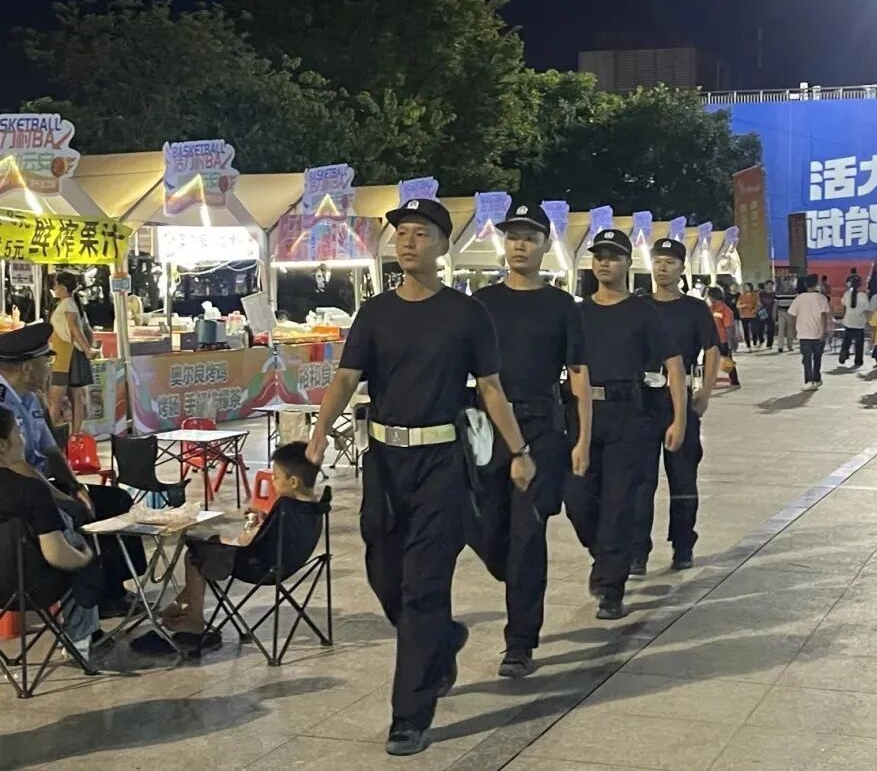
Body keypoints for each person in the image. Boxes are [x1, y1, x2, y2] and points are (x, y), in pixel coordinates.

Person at [305, 198, 536, 756]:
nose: (408, 242)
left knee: (425, 586)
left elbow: (490, 388)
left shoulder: (467, 314)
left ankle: (409, 715)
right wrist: (317, 437)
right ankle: (444, 639)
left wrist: (520, 451)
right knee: (386, 575)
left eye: (421, 233)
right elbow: (345, 379)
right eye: (402, 233)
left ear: (443, 245)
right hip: (385, 465)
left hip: (442, 465)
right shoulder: (375, 312)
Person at [471, 203, 591, 680]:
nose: (519, 245)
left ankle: (520, 641)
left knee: (527, 536)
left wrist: (582, 438)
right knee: (485, 529)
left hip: (540, 430)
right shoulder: (482, 302)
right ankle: (513, 576)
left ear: (545, 245)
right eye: (512, 236)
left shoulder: (561, 305)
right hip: (485, 431)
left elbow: (578, 374)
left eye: (529, 237)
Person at [565, 228, 684, 621]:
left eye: (613, 256)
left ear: (627, 264)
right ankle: (605, 558)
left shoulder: (642, 311)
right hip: (582, 415)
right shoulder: (578, 313)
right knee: (578, 501)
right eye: (599, 256)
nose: (604, 263)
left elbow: (673, 365)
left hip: (628, 417)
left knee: (618, 505)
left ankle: (611, 589)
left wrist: (679, 417)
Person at [0, 323, 143, 621]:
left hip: (41, 485)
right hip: (18, 496)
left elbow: (51, 450)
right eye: (47, 362)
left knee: (114, 502)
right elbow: (18, 465)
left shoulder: (31, 398)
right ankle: (85, 614)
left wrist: (76, 487)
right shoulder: (3, 404)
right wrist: (62, 500)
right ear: (27, 368)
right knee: (75, 520)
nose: (51, 369)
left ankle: (112, 592)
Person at [162, 442, 327, 642]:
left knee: (195, 553)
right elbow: (279, 533)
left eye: (276, 477)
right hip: (287, 564)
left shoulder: (285, 505)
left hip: (258, 567)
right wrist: (265, 520)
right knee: (212, 543)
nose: (272, 481)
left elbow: (248, 541)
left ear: (293, 482)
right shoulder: (312, 507)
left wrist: (251, 528)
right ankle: (180, 605)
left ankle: (193, 618)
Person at [632, 238, 720, 575]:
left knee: (683, 480)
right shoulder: (638, 306)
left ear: (682, 268)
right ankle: (637, 551)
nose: (662, 268)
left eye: (670, 262)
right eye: (658, 261)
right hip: (643, 402)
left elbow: (712, 350)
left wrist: (705, 394)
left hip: (679, 401)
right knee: (640, 482)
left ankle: (683, 545)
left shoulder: (694, 309)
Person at [0, 406, 99, 658]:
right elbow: (56, 555)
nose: (23, 439)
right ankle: (79, 643)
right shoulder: (32, 490)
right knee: (83, 563)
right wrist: (85, 557)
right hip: (32, 589)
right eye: (18, 433)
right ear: (2, 446)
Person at [47, 272, 95, 435]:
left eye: (55, 285)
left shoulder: (68, 304)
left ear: (62, 287)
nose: (54, 288)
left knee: (56, 399)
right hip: (67, 353)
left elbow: (73, 328)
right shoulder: (68, 304)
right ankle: (73, 436)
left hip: (66, 355)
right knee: (75, 397)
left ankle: (50, 437)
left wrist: (87, 349)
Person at [787, 274, 831, 390]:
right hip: (818, 333)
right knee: (817, 358)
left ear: (806, 284)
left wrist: (792, 330)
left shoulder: (799, 298)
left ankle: (809, 381)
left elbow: (791, 315)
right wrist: (824, 331)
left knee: (806, 359)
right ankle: (817, 378)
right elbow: (824, 317)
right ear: (817, 284)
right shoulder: (822, 298)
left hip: (803, 333)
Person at [707, 287, 740, 386]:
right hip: (713, 339)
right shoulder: (711, 308)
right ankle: (711, 381)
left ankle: (734, 380)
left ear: (712, 296)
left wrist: (731, 343)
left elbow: (729, 328)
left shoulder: (725, 310)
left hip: (722, 340)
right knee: (711, 361)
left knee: (726, 361)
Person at [838, 276, 870, 369]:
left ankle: (844, 353)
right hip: (859, 322)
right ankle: (858, 360)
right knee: (859, 344)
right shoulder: (863, 295)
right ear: (860, 285)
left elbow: (843, 304)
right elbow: (866, 309)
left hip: (848, 321)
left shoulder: (847, 294)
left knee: (846, 341)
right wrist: (868, 321)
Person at [775, 277, 797, 352]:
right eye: (785, 281)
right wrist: (774, 313)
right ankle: (780, 346)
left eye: (788, 281)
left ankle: (790, 345)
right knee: (781, 330)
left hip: (790, 312)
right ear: (783, 283)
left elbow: (796, 304)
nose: (787, 283)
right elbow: (776, 303)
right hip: (781, 312)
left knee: (790, 330)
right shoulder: (779, 292)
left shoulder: (794, 292)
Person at [736, 283, 761, 350]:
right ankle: (748, 345)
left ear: (751, 287)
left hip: (753, 315)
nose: (746, 288)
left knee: (754, 329)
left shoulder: (755, 295)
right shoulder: (742, 296)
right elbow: (737, 306)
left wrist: (755, 310)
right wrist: (745, 305)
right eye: (745, 287)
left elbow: (759, 304)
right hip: (744, 315)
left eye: (748, 286)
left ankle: (755, 343)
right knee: (746, 330)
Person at [757, 281, 778, 350]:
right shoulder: (761, 294)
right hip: (762, 313)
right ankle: (761, 340)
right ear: (765, 286)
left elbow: (776, 304)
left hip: (771, 313)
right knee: (760, 329)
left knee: (770, 330)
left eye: (771, 285)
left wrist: (775, 314)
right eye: (768, 285)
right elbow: (757, 302)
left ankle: (769, 344)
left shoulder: (775, 294)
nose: (769, 286)